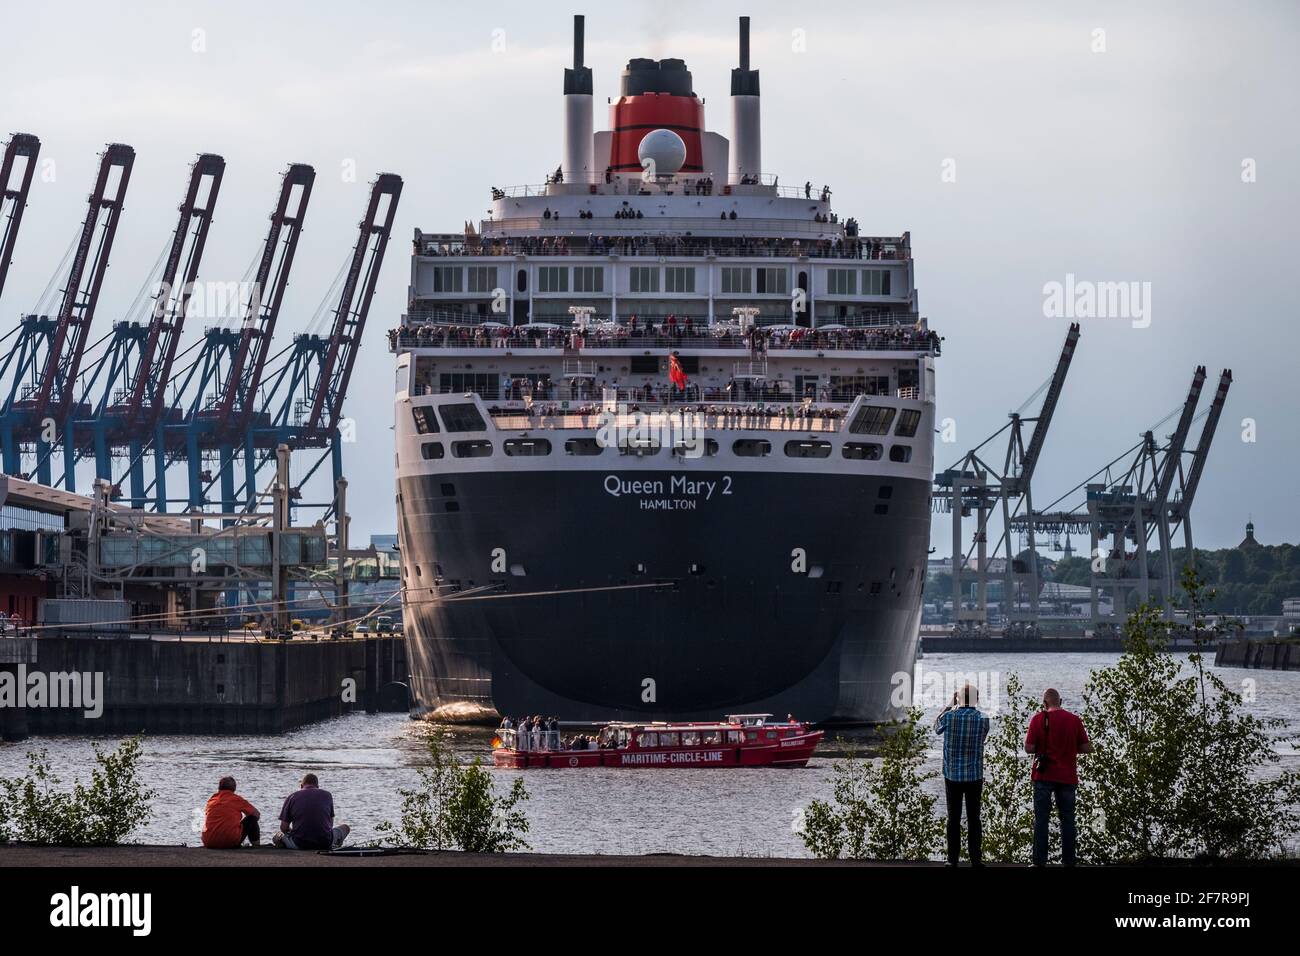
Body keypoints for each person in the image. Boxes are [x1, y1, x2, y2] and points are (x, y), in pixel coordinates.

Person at [1024, 688, 1092, 866]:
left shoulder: (1038, 719)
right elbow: (1086, 748)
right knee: (1068, 820)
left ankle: (1039, 862)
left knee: (1041, 821)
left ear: (1044, 704)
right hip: (1068, 776)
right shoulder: (1074, 720)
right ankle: (1069, 862)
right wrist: (1069, 747)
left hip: (1043, 775)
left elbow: (1029, 748)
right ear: (1060, 702)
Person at [934, 683, 990, 866]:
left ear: (959, 698)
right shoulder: (983, 719)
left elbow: (936, 726)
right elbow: (981, 740)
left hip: (953, 776)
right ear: (977, 699)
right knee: (974, 818)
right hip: (974, 775)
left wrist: (950, 704)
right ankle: (976, 860)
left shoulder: (949, 717)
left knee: (953, 819)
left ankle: (952, 860)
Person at [273, 773, 350, 851]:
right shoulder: (327, 795)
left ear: (301, 786)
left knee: (277, 836)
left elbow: (283, 827)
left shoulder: (292, 797)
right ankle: (334, 846)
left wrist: (293, 832)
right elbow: (330, 825)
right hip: (325, 843)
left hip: (299, 844)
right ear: (318, 787)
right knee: (346, 828)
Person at [200, 776, 261, 849]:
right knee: (252, 818)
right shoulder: (236, 799)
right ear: (234, 788)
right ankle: (256, 845)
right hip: (230, 841)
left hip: (209, 842)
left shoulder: (211, 800)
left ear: (219, 788)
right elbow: (256, 814)